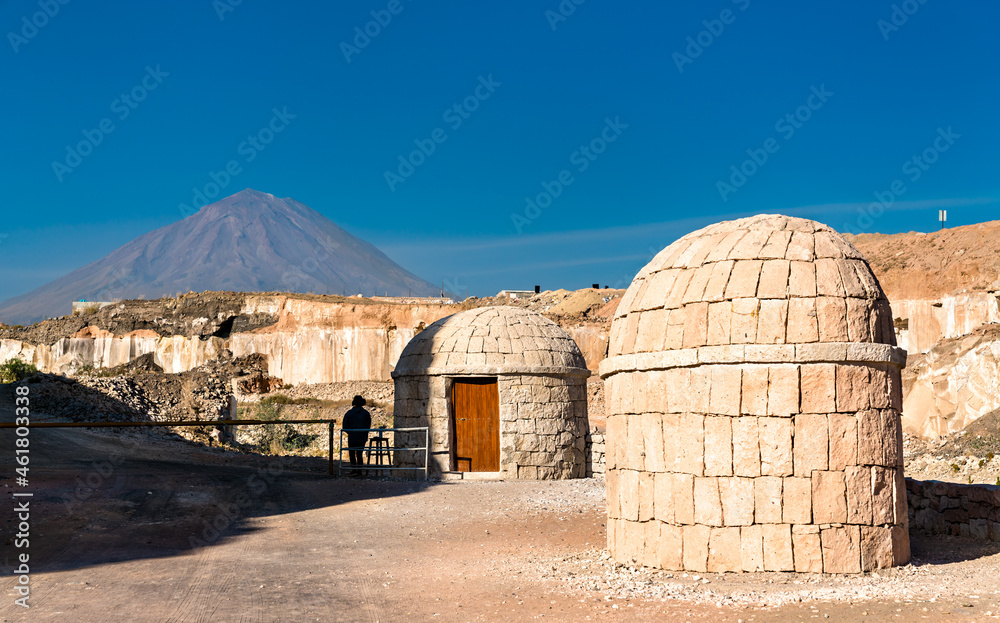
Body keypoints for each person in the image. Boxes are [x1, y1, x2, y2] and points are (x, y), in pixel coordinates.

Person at [342, 395, 371, 475]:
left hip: (352, 436)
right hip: (362, 437)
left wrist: (351, 432)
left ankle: (354, 469)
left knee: (352, 453)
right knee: (359, 454)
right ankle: (359, 470)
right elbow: (368, 426)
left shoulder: (349, 413)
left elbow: (344, 426)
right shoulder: (366, 413)